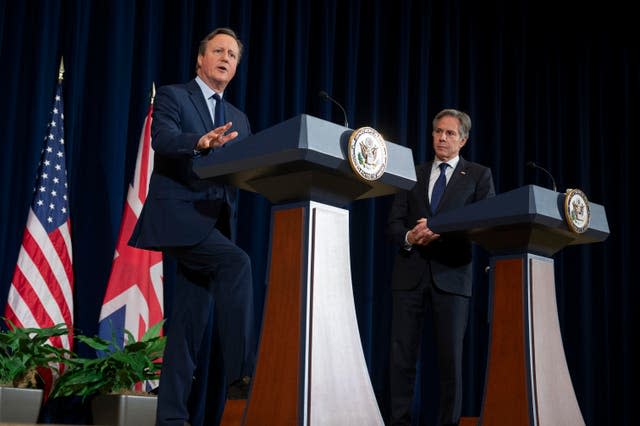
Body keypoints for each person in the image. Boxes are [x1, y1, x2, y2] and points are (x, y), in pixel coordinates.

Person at [129, 27, 256, 426]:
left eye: (232, 55)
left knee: (187, 328)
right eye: (218, 51)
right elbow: (162, 140)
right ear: (201, 59)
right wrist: (200, 143)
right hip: (180, 218)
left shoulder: (238, 117)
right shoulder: (173, 95)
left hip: (214, 223)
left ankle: (170, 419)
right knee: (237, 265)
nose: (225, 58)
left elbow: (245, 167)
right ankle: (245, 375)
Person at [386, 109, 495, 426]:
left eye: (449, 133)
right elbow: (393, 224)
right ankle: (399, 421)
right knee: (401, 358)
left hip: (452, 276)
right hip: (409, 276)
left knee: (450, 362)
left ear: (463, 139)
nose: (441, 138)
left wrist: (441, 229)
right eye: (437, 132)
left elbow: (486, 221)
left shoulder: (477, 175)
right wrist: (410, 235)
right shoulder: (413, 173)